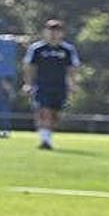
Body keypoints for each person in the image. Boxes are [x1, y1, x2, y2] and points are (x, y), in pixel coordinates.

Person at [23, 19, 81, 150]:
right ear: (45, 32)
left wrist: (73, 84)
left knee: (55, 114)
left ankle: (46, 135)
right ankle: (45, 140)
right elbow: (29, 67)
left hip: (60, 87)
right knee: (45, 111)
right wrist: (28, 84)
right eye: (50, 31)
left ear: (62, 33)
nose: (53, 34)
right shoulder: (37, 49)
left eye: (56, 31)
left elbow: (73, 68)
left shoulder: (67, 50)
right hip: (42, 86)